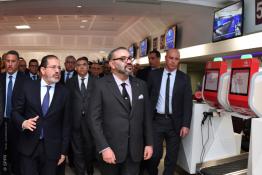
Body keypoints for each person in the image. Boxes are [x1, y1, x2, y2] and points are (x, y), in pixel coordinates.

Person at [87, 47, 153, 175]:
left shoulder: (141, 85)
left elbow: (147, 118)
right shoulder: (100, 85)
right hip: (110, 150)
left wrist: (149, 143)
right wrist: (104, 147)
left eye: (129, 58)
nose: (128, 61)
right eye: (123, 59)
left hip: (135, 150)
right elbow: (93, 120)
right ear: (111, 64)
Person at [12, 55, 71, 175]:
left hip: (52, 149)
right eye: (53, 67)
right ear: (43, 70)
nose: (57, 71)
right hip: (28, 145)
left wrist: (63, 152)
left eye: (59, 67)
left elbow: (67, 124)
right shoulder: (27, 86)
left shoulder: (65, 92)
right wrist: (23, 122)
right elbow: (15, 112)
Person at [147, 48, 192, 175]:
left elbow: (187, 103)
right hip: (156, 121)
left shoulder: (184, 78)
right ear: (165, 58)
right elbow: (147, 98)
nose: (173, 61)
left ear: (179, 61)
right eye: (171, 58)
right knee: (155, 155)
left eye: (176, 59)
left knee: (172, 157)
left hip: (175, 123)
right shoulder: (154, 75)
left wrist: (186, 124)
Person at [0, 50, 28, 175]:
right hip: (2, 122)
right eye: (7, 61)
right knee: (3, 152)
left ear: (18, 63)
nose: (10, 64)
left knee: (17, 153)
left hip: (19, 123)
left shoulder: (27, 80)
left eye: (13, 61)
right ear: (4, 62)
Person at [66, 57, 95, 175]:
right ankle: (80, 172)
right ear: (76, 68)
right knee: (77, 151)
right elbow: (67, 103)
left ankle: (89, 169)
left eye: (84, 64)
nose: (82, 67)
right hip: (75, 122)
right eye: (79, 65)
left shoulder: (96, 82)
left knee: (89, 150)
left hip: (91, 123)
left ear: (88, 67)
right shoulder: (70, 82)